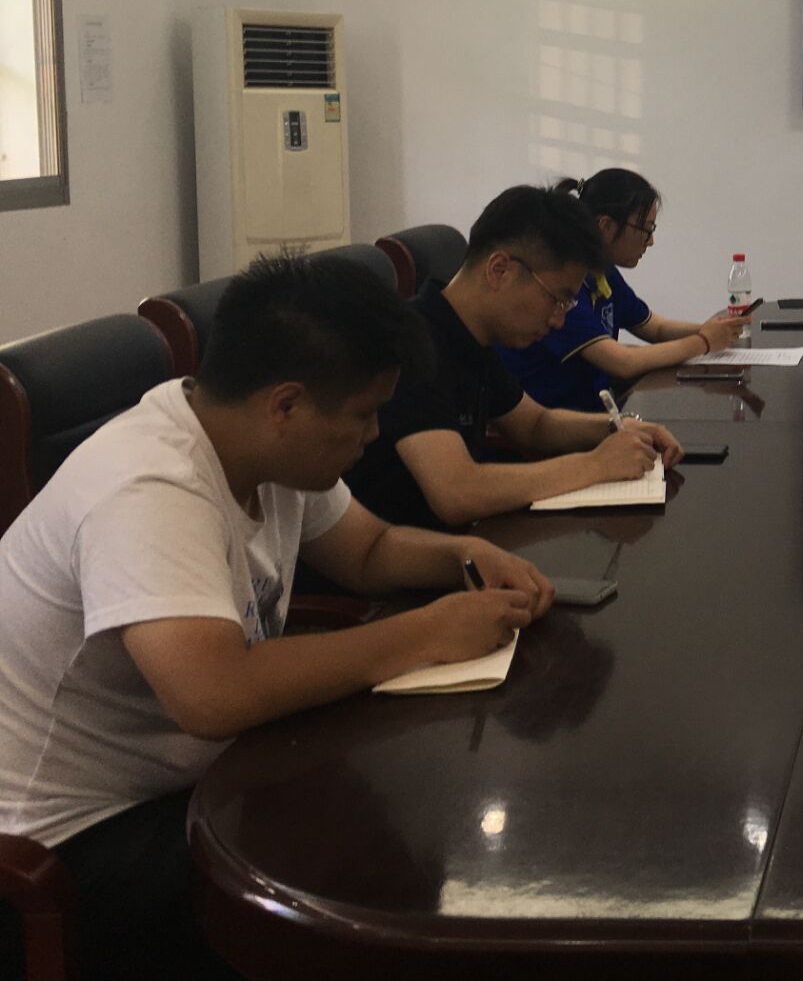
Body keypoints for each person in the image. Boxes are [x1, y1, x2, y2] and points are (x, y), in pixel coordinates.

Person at [0, 253, 555, 981]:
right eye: (363, 415)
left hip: (188, 778)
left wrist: (465, 555)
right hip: (67, 841)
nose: (374, 434)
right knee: (367, 882)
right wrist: (425, 632)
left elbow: (369, 551)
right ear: (286, 405)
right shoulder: (148, 485)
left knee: (405, 819)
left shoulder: (260, 445)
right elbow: (213, 694)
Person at [344, 185, 684, 531]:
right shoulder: (413, 344)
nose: (559, 320)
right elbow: (457, 492)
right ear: (500, 270)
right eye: (557, 299)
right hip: (400, 554)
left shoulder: (472, 335)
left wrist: (620, 427)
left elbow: (535, 425)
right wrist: (596, 465)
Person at [500, 170, 748, 410]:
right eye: (646, 229)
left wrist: (713, 329)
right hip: (559, 420)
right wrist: (704, 341)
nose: (650, 241)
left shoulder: (603, 272)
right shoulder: (564, 285)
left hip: (593, 411)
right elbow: (622, 363)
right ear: (605, 226)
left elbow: (655, 327)